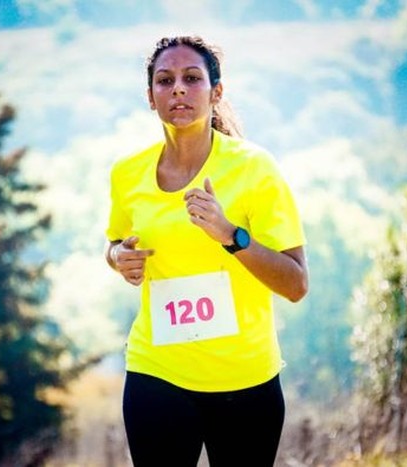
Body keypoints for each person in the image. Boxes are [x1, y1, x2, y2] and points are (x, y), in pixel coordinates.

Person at [104, 35, 309, 467]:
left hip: (245, 380)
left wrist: (231, 235)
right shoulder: (127, 173)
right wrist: (117, 258)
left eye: (192, 78)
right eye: (165, 80)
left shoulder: (254, 168)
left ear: (216, 92)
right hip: (157, 371)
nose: (178, 89)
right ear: (151, 97)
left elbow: (295, 284)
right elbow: (115, 242)